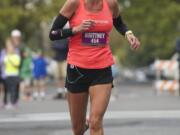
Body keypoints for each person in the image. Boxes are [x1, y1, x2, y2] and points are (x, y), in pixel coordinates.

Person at [49, 0, 140, 135]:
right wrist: (75, 29)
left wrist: (128, 33)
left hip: (102, 68)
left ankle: (91, 122)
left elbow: (119, 23)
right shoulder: (74, 3)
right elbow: (53, 34)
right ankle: (83, 125)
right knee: (78, 129)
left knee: (96, 122)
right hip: (77, 69)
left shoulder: (110, 4)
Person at [1, 39, 21, 109]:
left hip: (14, 74)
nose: (8, 45)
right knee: (6, 89)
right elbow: (2, 61)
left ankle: (14, 102)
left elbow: (18, 62)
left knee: (14, 89)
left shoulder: (16, 52)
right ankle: (5, 102)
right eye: (7, 44)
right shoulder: (4, 52)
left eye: (10, 44)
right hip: (5, 74)